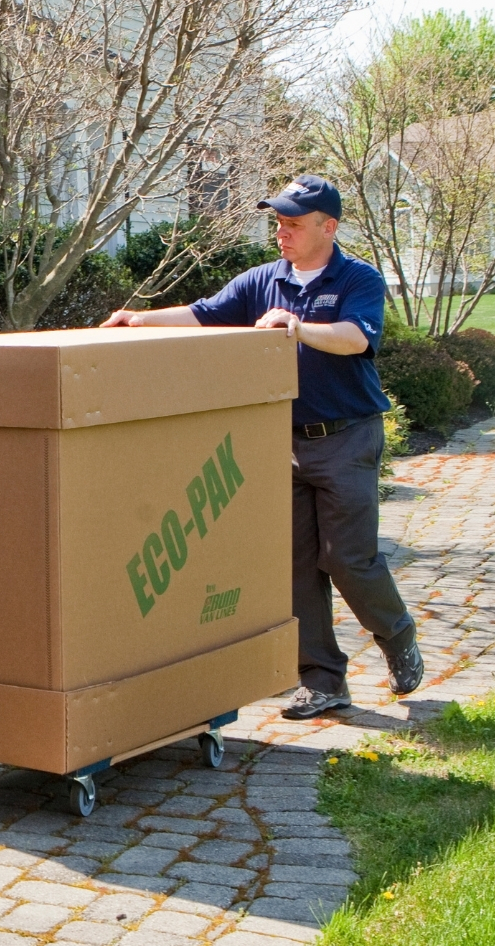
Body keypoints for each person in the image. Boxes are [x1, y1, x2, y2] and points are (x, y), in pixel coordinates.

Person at [102, 176, 423, 719]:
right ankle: (322, 682)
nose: (281, 234)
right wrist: (138, 318)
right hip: (281, 441)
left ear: (329, 227)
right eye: (277, 223)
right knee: (295, 566)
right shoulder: (262, 279)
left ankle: (399, 640)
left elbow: (358, 339)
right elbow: (205, 313)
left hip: (346, 437)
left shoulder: (357, 279)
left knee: (347, 559)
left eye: (293, 224)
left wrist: (298, 327)